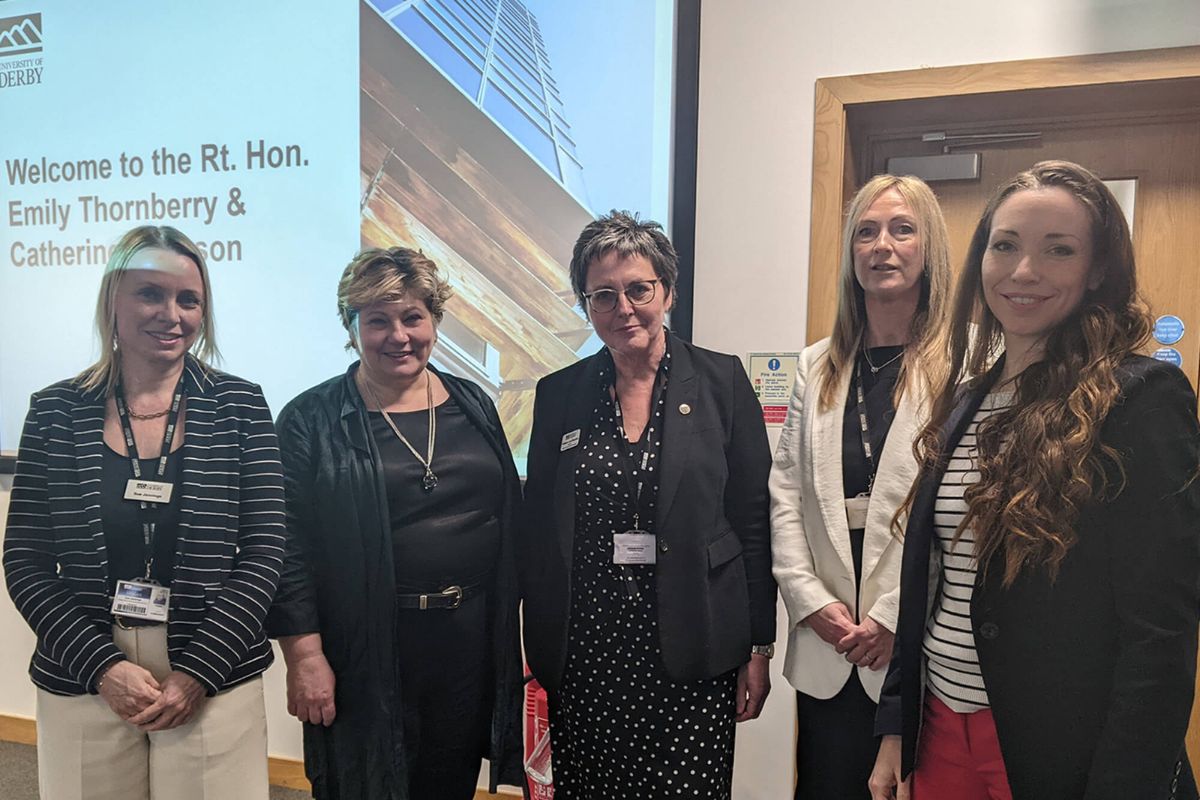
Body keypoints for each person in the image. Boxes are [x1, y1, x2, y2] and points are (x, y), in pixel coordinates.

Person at [869, 160, 1200, 800]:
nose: (1024, 272)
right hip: (940, 731)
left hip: (1061, 746)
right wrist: (896, 729)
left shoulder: (1139, 399)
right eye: (1006, 246)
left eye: (1059, 250)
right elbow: (932, 582)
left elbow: (1160, 634)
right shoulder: (966, 399)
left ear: (1097, 270)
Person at [2, 225, 285, 800]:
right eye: (150, 294)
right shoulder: (55, 409)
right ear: (112, 300)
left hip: (211, 669)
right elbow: (25, 560)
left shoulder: (240, 404)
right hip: (84, 668)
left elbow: (265, 550)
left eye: (189, 299)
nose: (171, 314)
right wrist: (101, 667)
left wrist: (197, 673)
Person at [518, 210, 776, 799]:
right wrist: (536, 647)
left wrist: (759, 646)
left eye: (639, 289)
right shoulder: (559, 394)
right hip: (588, 653)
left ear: (668, 291)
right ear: (587, 306)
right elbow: (540, 530)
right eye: (603, 296)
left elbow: (752, 525)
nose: (623, 308)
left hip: (695, 644)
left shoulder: (721, 381)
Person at [266, 247, 524, 800]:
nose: (399, 335)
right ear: (351, 327)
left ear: (434, 320)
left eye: (413, 317)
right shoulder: (310, 420)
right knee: (364, 786)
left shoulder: (473, 401)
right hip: (364, 648)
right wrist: (304, 657)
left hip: (467, 644)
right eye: (377, 320)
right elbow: (287, 549)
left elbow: (506, 515)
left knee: (447, 784)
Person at [770, 175, 951, 799]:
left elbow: (958, 515)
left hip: (921, 646)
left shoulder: (967, 361)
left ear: (929, 249)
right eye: (867, 232)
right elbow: (786, 496)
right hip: (831, 648)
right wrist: (809, 602)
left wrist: (889, 618)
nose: (883, 246)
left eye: (903, 229)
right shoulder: (816, 363)